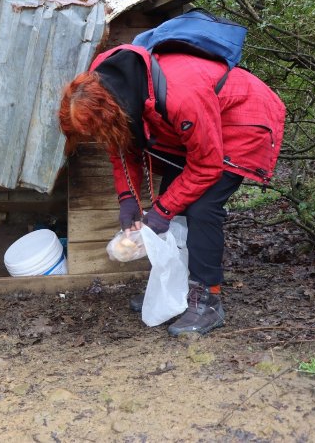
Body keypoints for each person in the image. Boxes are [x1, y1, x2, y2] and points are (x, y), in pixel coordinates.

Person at [59, 44, 285, 336]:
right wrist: (128, 198)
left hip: (242, 119)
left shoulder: (181, 95)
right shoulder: (106, 82)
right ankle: (174, 291)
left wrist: (162, 212)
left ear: (111, 111)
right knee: (172, 197)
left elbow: (207, 166)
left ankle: (207, 298)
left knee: (202, 207)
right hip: (197, 126)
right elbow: (120, 144)